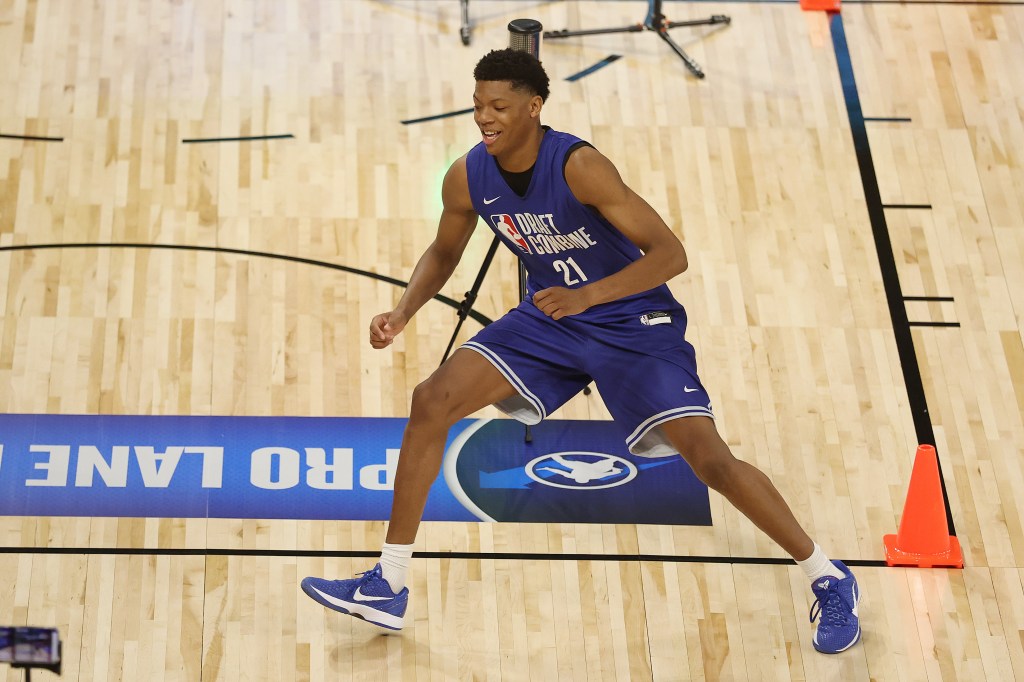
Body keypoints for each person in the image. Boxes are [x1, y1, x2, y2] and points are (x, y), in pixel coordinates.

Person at [301, 49, 861, 654]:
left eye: (499, 107)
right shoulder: (467, 175)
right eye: (478, 106)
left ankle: (828, 575)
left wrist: (589, 294)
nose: (484, 118)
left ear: (533, 107)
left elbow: (670, 254)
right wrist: (403, 310)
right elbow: (444, 252)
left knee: (711, 463)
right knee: (431, 400)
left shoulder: (580, 166)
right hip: (553, 321)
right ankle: (389, 581)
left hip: (632, 323)